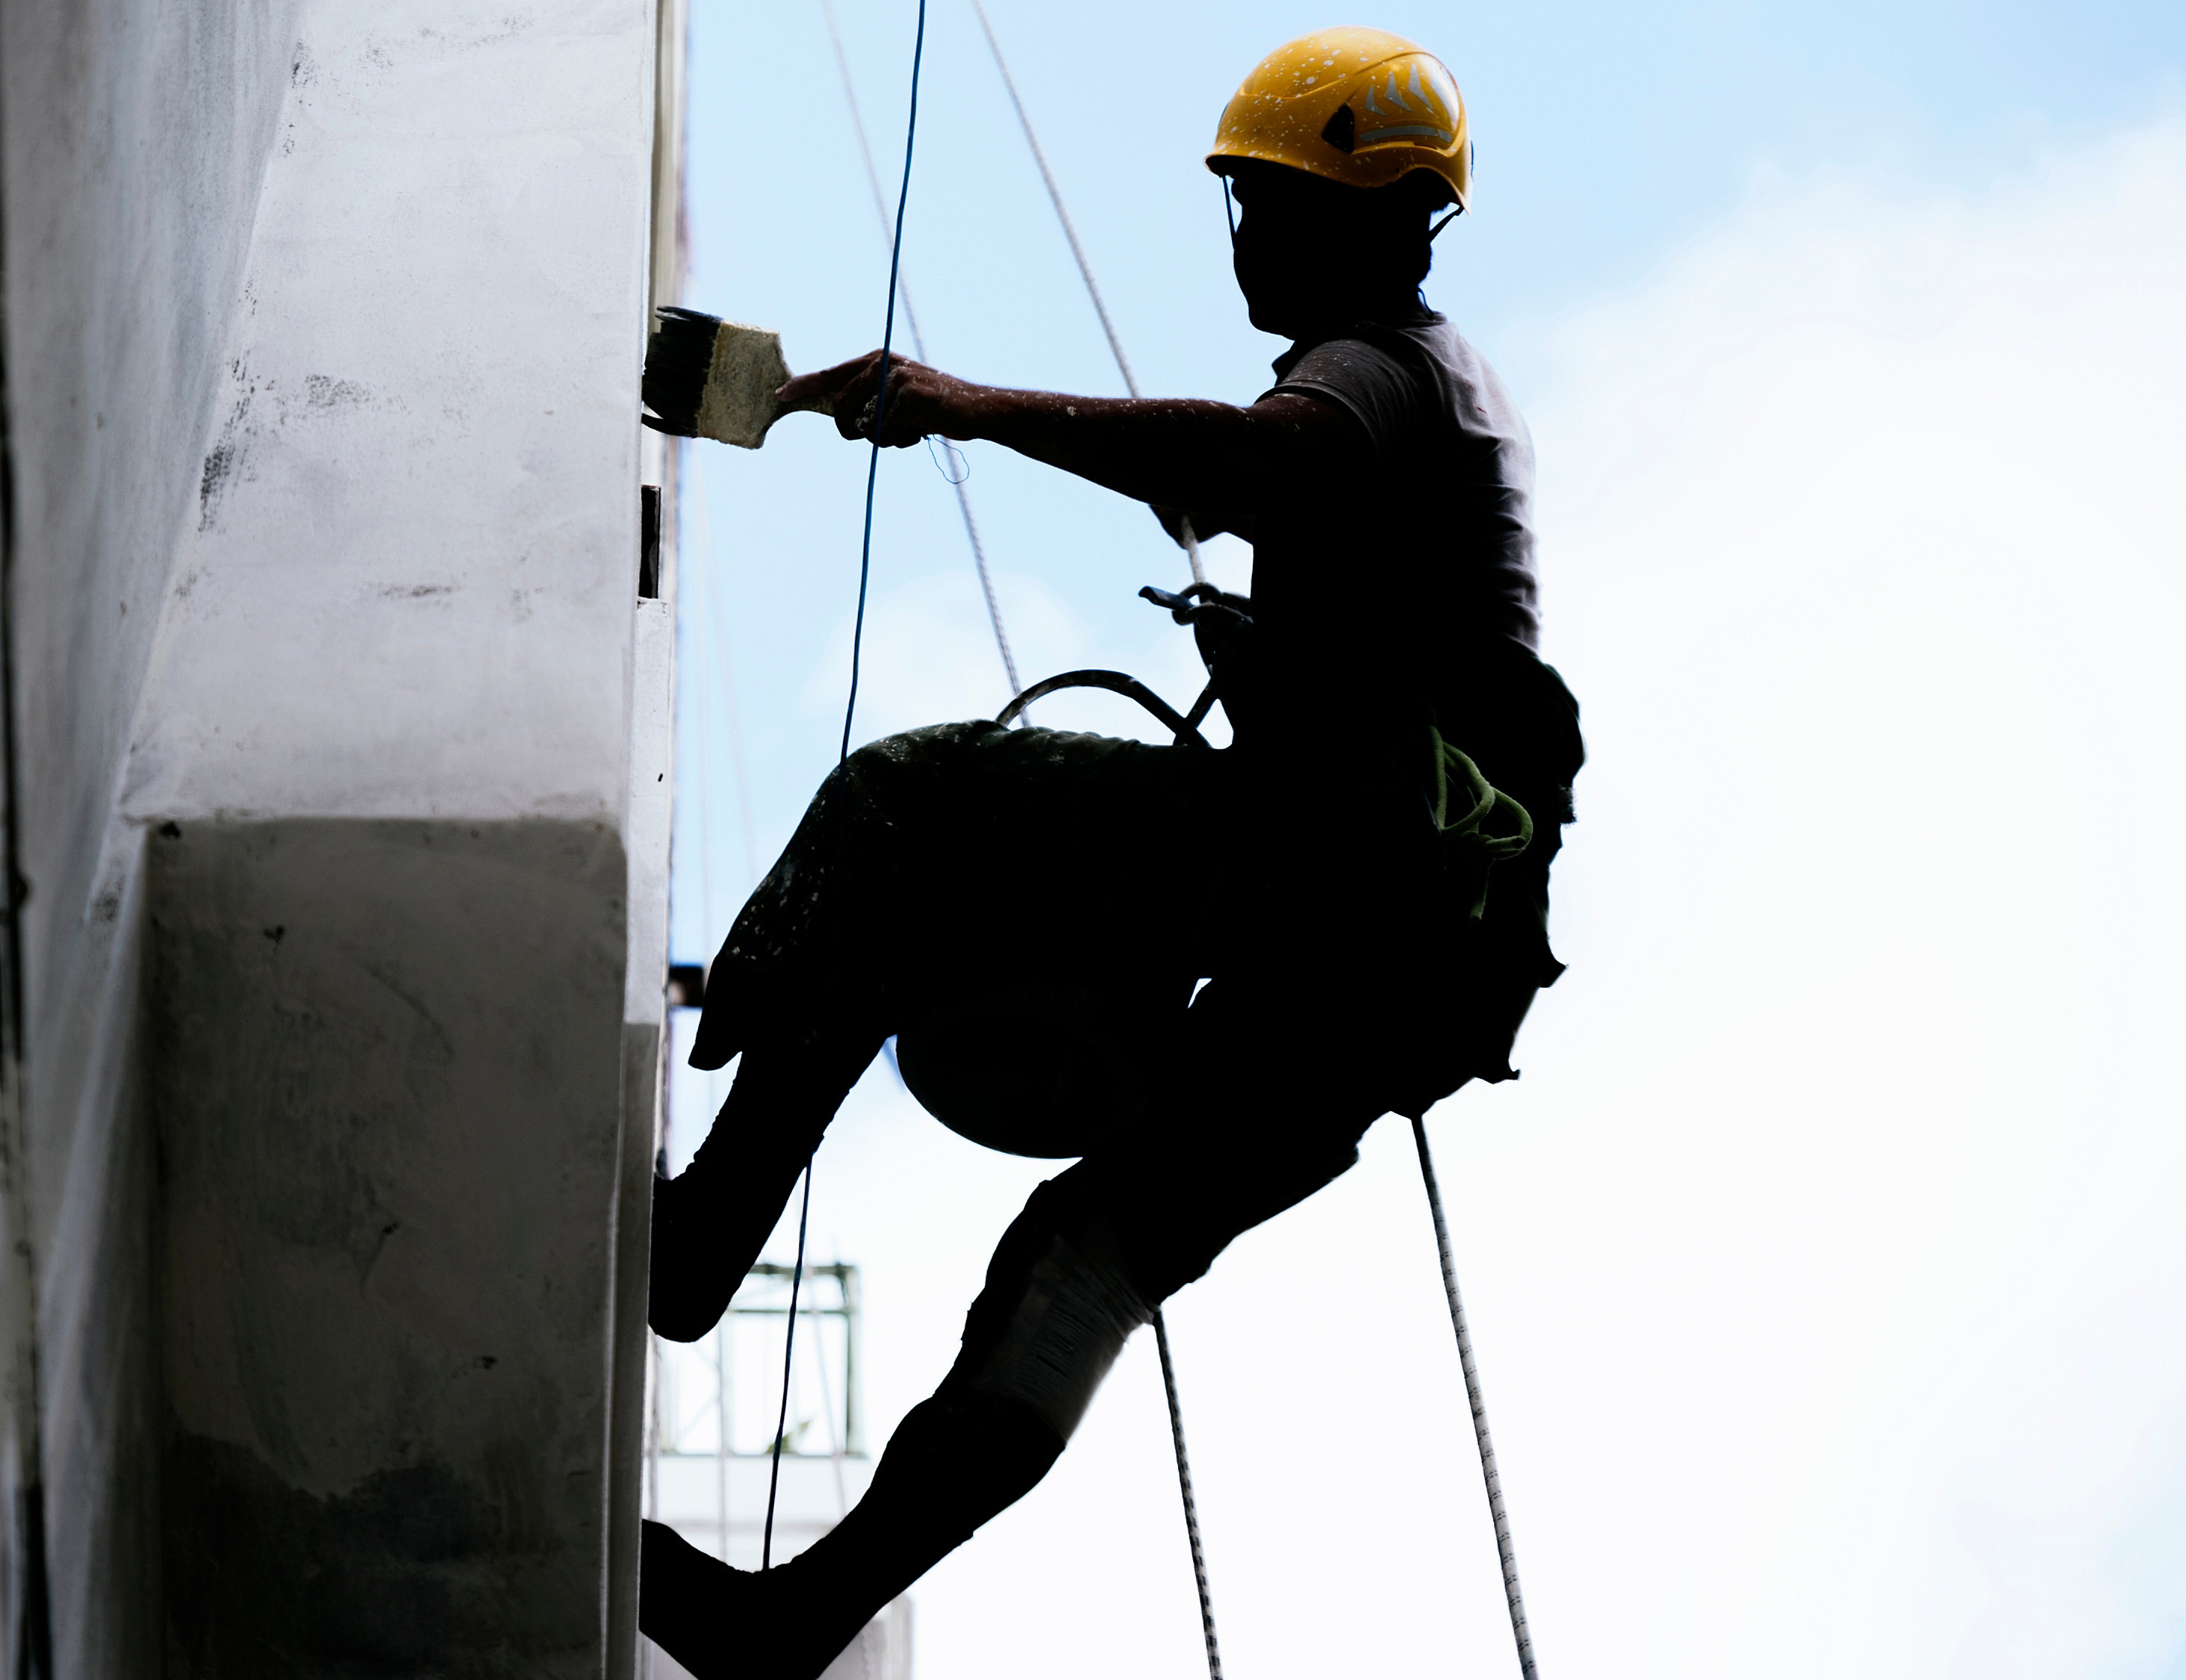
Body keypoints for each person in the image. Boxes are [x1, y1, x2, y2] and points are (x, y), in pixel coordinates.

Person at [637, 26, 1585, 1679]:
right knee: (1078, 1266)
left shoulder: (1372, 371)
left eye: (1267, 208)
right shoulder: (1428, 398)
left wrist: (963, 407)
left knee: (903, 808)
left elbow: (1249, 464)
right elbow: (1264, 493)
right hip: (1403, 979)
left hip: (1321, 870)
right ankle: (790, 1622)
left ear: (1348, 226)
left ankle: (697, 1238)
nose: (1247, 243)